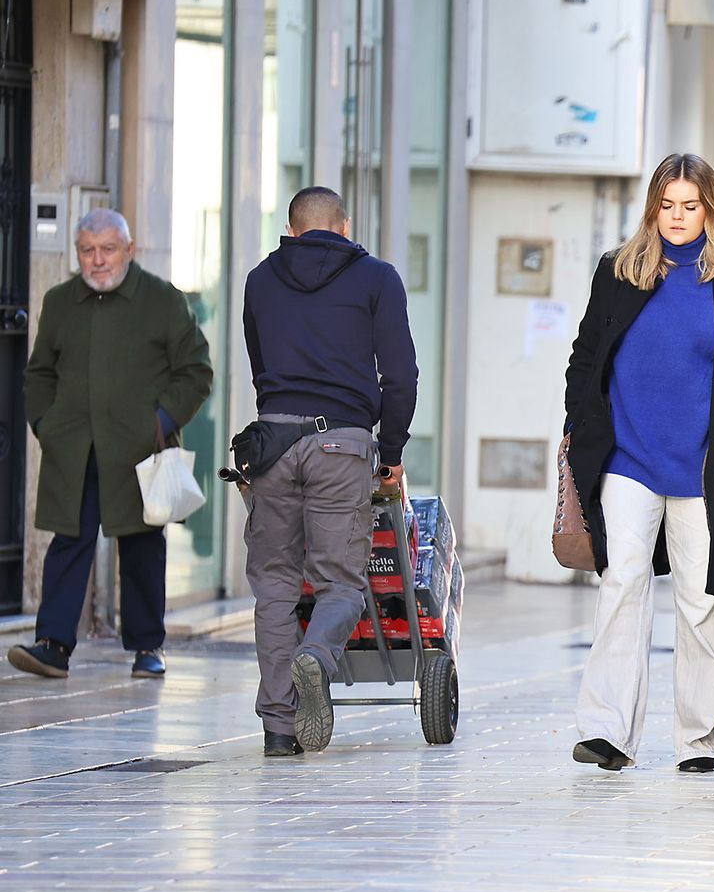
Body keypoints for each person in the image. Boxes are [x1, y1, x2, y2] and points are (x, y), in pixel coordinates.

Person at [563, 153, 714, 774]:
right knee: (621, 586)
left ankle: (696, 741)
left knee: (702, 604)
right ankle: (607, 733)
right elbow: (586, 356)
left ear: (710, 208)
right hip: (629, 459)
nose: (677, 217)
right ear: (653, 207)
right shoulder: (619, 271)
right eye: (667, 204)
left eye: (690, 205)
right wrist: (585, 428)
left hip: (704, 468)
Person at [239, 186, 417, 757]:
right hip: (341, 443)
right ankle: (315, 656)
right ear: (345, 226)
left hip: (271, 442)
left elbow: (259, 364)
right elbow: (400, 377)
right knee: (340, 581)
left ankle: (278, 727)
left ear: (291, 232)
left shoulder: (261, 279)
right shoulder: (377, 278)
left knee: (274, 587)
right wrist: (389, 454)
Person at [9, 210, 212, 681]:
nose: (97, 260)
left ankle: (147, 647)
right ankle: (52, 646)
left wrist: (159, 422)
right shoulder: (60, 301)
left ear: (129, 249)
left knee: (142, 546)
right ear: (77, 252)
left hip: (140, 451)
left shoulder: (162, 300)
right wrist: (45, 423)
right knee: (68, 542)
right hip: (75, 449)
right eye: (87, 250)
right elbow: (39, 372)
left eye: (107, 249)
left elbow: (197, 370)